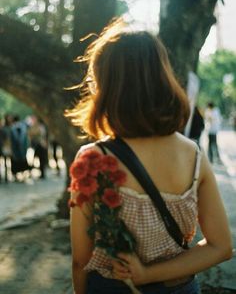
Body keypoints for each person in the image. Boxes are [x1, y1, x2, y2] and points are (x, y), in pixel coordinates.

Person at [68, 20, 232, 294]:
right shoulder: (193, 154)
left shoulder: (92, 160)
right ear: (162, 77)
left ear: (105, 86)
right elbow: (221, 246)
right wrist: (150, 274)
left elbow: (80, 260)